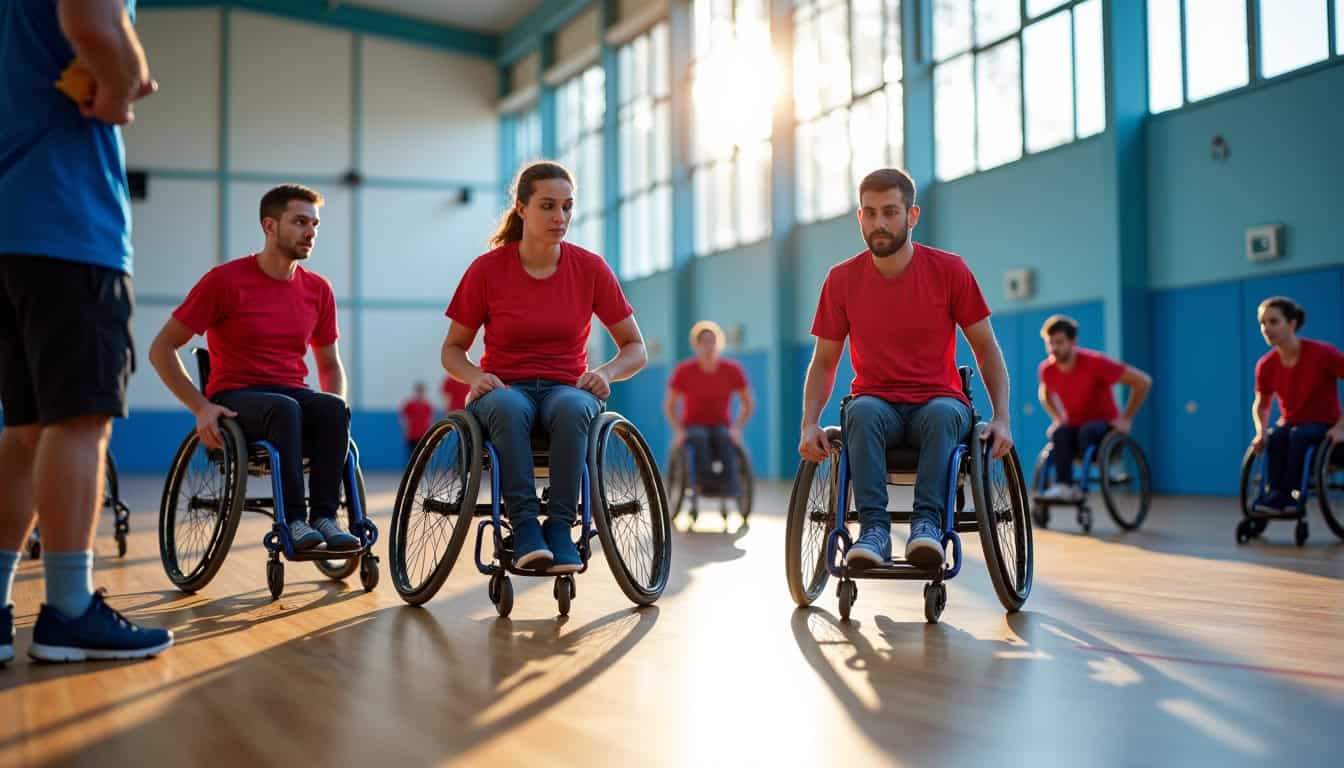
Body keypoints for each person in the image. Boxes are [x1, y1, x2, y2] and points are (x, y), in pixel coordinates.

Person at [0, 0, 171, 664]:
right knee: (78, 420)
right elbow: (94, 24)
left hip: (11, 225)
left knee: (24, 429)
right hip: (68, 224)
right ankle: (69, 610)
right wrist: (123, 88)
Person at [798, 168, 1014, 571]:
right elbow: (824, 361)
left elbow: (986, 349)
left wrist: (1002, 418)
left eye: (891, 212)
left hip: (939, 401)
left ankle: (928, 527)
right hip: (876, 404)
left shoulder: (949, 271)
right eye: (870, 212)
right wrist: (809, 423)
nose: (880, 223)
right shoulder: (841, 280)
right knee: (859, 411)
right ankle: (874, 532)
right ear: (860, 217)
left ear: (912, 216)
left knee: (942, 413)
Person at [442, 161, 647, 573]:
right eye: (548, 206)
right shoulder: (487, 270)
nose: (561, 217)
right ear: (521, 209)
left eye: (568, 207)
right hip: (505, 388)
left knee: (574, 407)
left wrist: (605, 373)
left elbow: (635, 348)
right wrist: (475, 377)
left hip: (565, 389)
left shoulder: (590, 269)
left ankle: (558, 527)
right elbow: (452, 351)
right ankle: (524, 528)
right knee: (508, 406)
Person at [148, 184, 360, 554]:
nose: (310, 232)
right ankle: (294, 520)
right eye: (299, 222)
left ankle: (324, 517)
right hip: (237, 397)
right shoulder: (225, 281)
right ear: (270, 226)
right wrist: (201, 407)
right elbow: (160, 349)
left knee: (331, 408)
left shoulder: (318, 290)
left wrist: (334, 413)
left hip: (291, 396)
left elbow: (329, 364)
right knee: (286, 408)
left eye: (315, 224)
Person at [1036, 315, 1152, 502]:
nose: (1054, 349)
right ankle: (1063, 486)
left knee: (1086, 431)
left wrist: (1126, 418)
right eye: (1050, 343)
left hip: (1102, 426)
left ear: (1073, 342)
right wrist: (1058, 418)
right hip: (1074, 426)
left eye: (1059, 342)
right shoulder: (1046, 369)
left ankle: (1077, 484)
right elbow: (1045, 395)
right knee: (1059, 433)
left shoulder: (1096, 363)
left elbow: (1143, 382)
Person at [1248, 296, 1344, 512]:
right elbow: (1262, 405)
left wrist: (1341, 426)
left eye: (1274, 322)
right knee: (1276, 435)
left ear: (1292, 323)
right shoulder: (1266, 364)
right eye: (1263, 323)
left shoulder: (1322, 353)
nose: (1266, 328)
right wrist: (1260, 432)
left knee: (1298, 435)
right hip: (1291, 423)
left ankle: (1291, 496)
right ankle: (1275, 494)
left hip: (1323, 424)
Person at [663, 320, 754, 497]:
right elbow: (669, 405)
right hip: (693, 425)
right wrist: (679, 430)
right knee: (699, 437)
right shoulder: (684, 370)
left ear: (719, 343)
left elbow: (748, 402)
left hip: (721, 424)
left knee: (725, 438)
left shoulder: (732, 369)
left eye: (712, 341)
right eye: (703, 341)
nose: (708, 346)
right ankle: (702, 484)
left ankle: (730, 486)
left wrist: (737, 428)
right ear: (696, 345)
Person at [400, 382, 435, 458]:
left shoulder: (427, 405)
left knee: (422, 455)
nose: (420, 393)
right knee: (412, 455)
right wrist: (406, 429)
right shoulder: (409, 404)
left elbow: (430, 419)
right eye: (419, 391)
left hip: (423, 435)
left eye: (422, 391)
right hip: (412, 435)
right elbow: (403, 417)